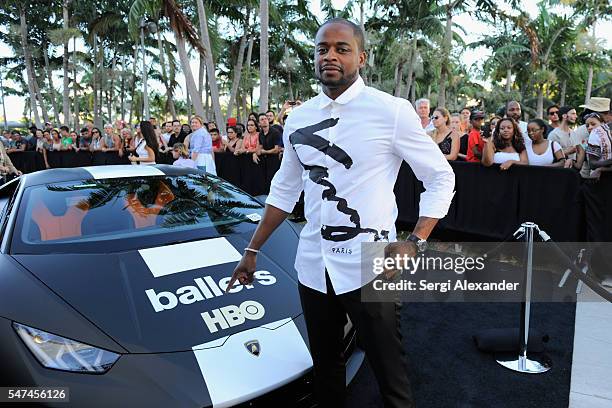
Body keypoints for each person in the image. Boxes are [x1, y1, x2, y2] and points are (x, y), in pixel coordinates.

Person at [226, 18, 454, 408]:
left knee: (389, 373)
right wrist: (252, 250)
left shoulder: (392, 111)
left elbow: (440, 177)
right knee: (326, 366)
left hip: (371, 263)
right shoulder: (299, 118)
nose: (330, 55)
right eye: (322, 48)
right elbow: (284, 190)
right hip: (313, 262)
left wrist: (414, 242)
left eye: (341, 48)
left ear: (361, 57)